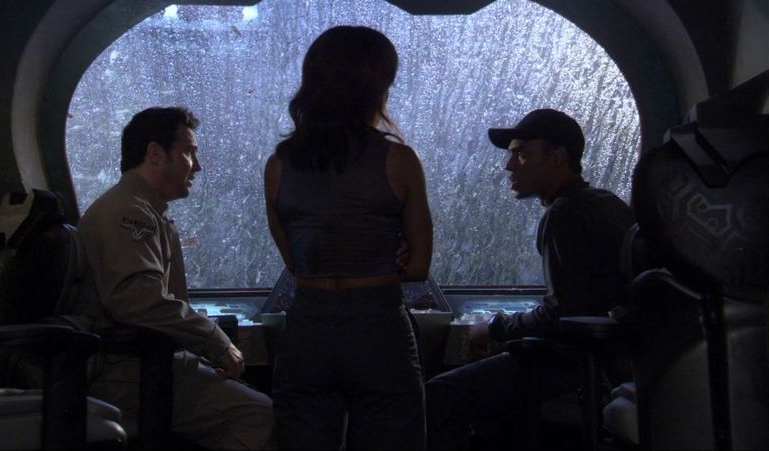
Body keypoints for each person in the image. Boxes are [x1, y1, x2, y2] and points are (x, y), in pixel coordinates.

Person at [264, 26, 433, 450]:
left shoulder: (279, 165)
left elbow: (296, 262)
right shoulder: (399, 159)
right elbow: (418, 267)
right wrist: (389, 254)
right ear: (377, 88)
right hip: (378, 328)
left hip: (308, 329)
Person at [425, 108, 636, 449]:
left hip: (582, 360)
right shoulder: (605, 202)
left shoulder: (564, 215)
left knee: (440, 395)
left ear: (558, 157)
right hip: (616, 355)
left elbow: (561, 313)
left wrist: (494, 328)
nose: (509, 166)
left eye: (521, 154)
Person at [78, 107, 275, 450]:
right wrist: (213, 340)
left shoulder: (143, 210)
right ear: (155, 154)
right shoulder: (129, 213)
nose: (197, 166)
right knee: (258, 417)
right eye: (189, 153)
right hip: (124, 371)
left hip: (141, 361)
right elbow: (138, 302)